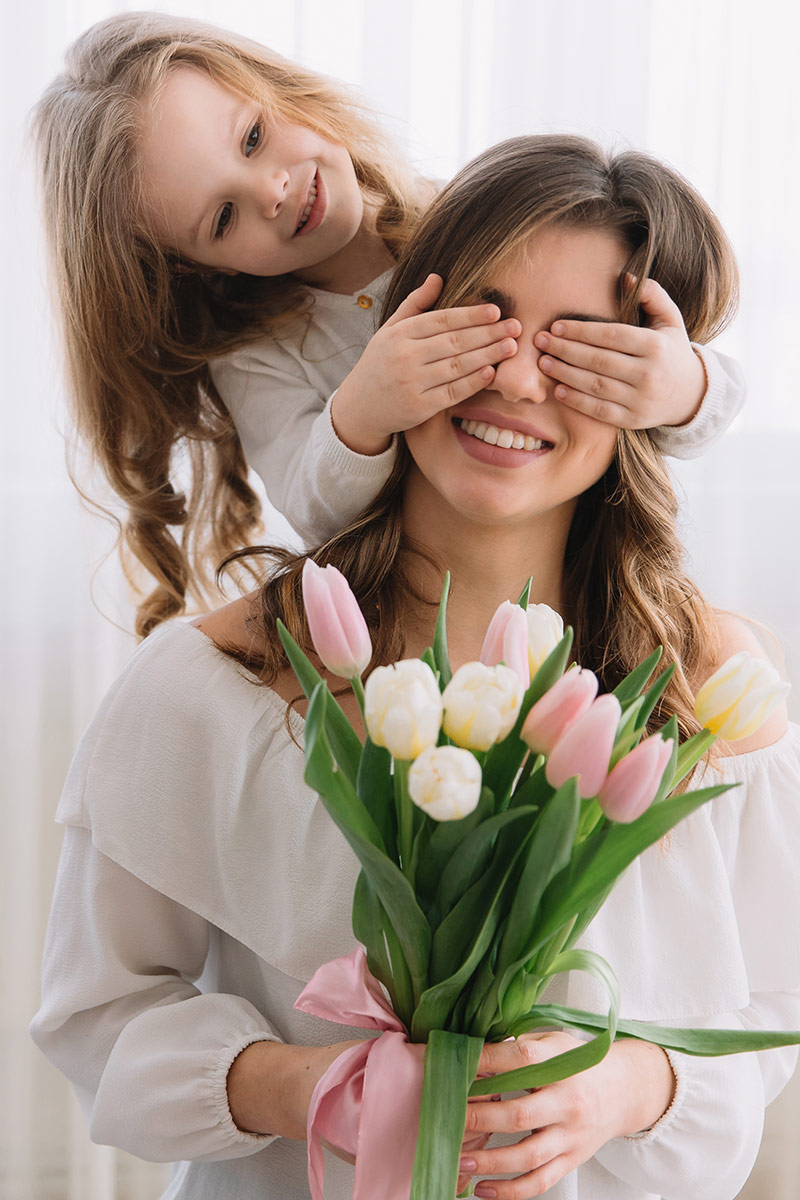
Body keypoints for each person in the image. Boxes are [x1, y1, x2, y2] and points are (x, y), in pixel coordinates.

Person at [30, 135, 799, 1200]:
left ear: (647, 387)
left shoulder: (706, 686)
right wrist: (312, 1089)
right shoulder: (217, 684)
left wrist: (624, 1090)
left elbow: (763, 1015)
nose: (519, 379)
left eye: (580, 344)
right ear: (393, 329)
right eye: (477, 323)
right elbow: (96, 1016)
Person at [34, 11, 746, 639]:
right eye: (222, 218)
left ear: (284, 89)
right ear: (193, 266)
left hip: (576, 582)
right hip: (405, 626)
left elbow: (708, 391)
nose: (272, 191)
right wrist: (365, 409)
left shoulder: (469, 218)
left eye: (253, 137)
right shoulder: (259, 353)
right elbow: (316, 509)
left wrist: (684, 388)